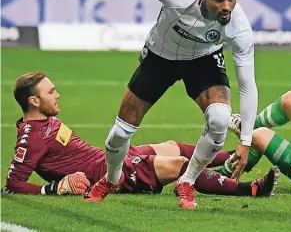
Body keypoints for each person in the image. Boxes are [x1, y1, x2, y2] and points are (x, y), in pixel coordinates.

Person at [34, 0, 258, 209]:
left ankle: (186, 181)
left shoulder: (239, 28)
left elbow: (247, 84)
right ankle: (111, 178)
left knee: (219, 121)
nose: (226, 6)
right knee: (119, 134)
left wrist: (245, 141)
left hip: (203, 60)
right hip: (160, 59)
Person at [4, 72, 277, 201]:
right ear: (34, 101)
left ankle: (231, 159)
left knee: (171, 146)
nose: (57, 94)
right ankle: (250, 189)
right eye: (51, 92)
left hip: (109, 159)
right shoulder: (31, 138)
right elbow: (13, 184)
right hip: (110, 175)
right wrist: (51, 188)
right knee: (179, 165)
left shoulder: (46, 121)